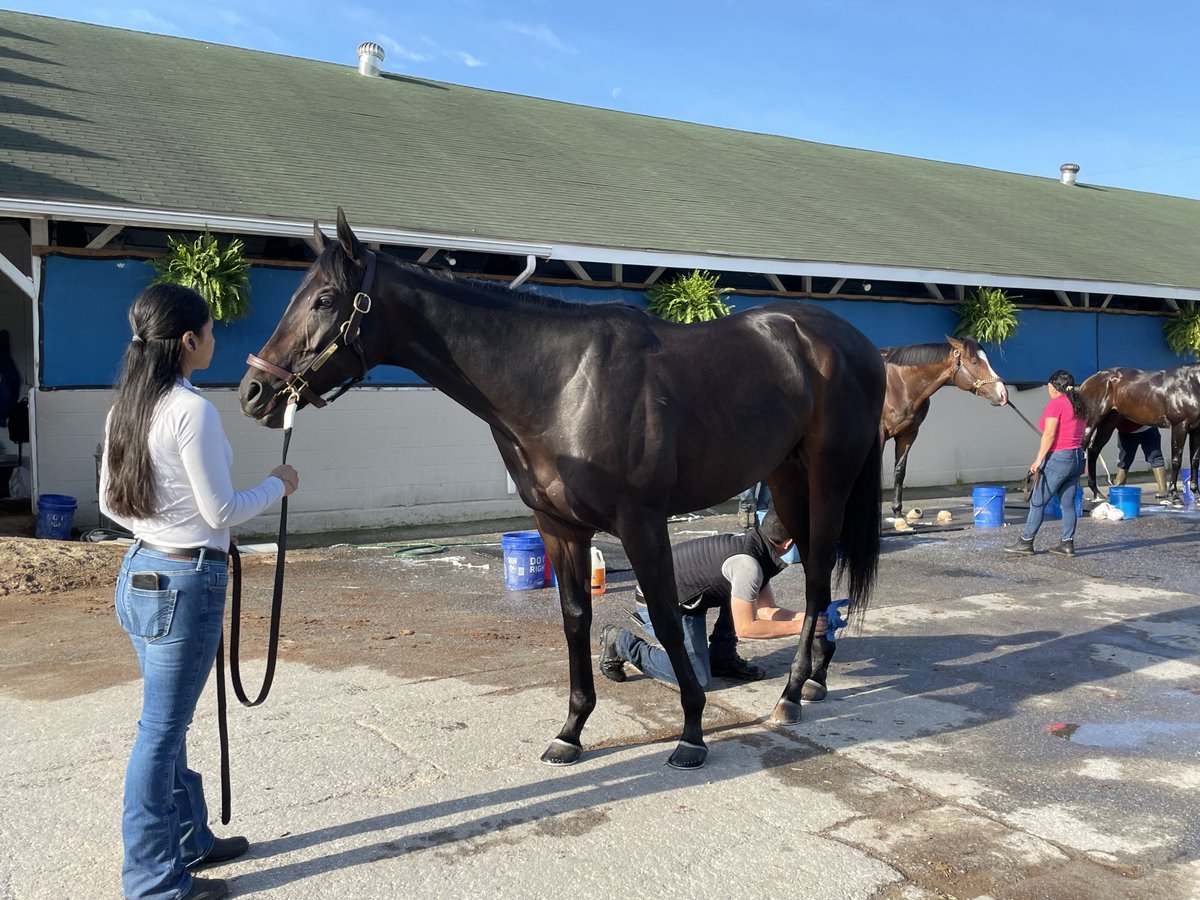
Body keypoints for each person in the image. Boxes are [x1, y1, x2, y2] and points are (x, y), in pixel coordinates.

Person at [99, 284, 299, 900]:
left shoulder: (128, 405)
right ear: (189, 341)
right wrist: (278, 484)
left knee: (169, 725)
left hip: (141, 573)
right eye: (210, 332)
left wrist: (162, 528)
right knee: (160, 733)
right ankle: (154, 883)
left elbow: (110, 503)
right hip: (186, 583)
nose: (215, 340)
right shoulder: (191, 410)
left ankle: (190, 841)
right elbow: (220, 511)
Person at [599, 510, 830, 693]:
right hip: (660, 603)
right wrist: (800, 628)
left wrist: (809, 620)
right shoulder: (748, 566)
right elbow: (746, 627)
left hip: (684, 595)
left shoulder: (757, 545)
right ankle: (621, 643)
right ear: (789, 543)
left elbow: (767, 610)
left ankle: (722, 658)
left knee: (742, 601)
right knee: (697, 680)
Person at [1005, 369, 1087, 557]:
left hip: (1059, 458)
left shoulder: (1056, 404)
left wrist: (1038, 460)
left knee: (1038, 501)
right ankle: (1067, 543)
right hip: (1077, 457)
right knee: (1067, 503)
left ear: (1054, 386)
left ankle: (1026, 542)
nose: (1048, 390)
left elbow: (1049, 434)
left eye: (1049, 387)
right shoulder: (1081, 404)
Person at [1114, 418, 1168, 500]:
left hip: (1147, 428)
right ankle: (1118, 489)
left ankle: (1163, 489)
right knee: (1124, 460)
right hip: (1127, 432)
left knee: (1155, 458)